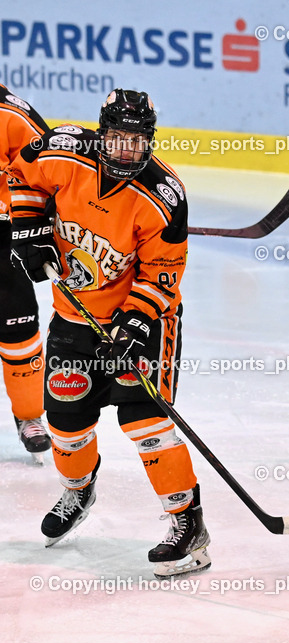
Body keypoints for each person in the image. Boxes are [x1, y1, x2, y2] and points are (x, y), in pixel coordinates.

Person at [6, 88, 211, 577]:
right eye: (117, 140)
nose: (126, 152)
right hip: (73, 317)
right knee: (66, 424)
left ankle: (189, 524)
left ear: (149, 142)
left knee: (145, 423)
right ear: (101, 135)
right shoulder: (61, 150)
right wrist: (30, 224)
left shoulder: (163, 195)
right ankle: (79, 489)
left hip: (142, 323)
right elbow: (21, 175)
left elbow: (163, 272)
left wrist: (136, 321)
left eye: (137, 143)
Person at [0, 84, 51, 463]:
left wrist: (30, 217)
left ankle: (30, 416)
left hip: (3, 236)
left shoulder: (11, 116)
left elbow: (44, 168)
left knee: (17, 326)